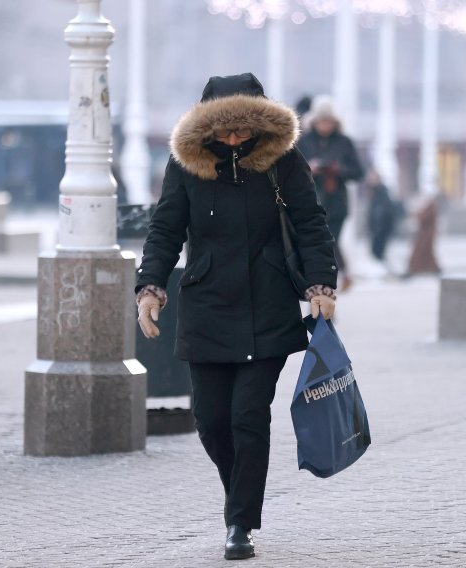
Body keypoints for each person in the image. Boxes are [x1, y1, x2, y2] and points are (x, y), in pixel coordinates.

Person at [134, 73, 338, 560]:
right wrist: (150, 287)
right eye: (224, 132)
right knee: (210, 422)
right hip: (206, 306)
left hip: (267, 304)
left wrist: (321, 286)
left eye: (242, 132)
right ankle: (238, 498)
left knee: (248, 416)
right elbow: (165, 229)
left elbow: (311, 223)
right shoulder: (185, 165)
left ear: (260, 127)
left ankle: (239, 523)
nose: (233, 140)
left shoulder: (282, 162)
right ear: (205, 129)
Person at [297, 95, 364, 291]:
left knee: (328, 244)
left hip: (336, 205)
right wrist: (310, 168)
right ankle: (328, 285)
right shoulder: (303, 141)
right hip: (310, 203)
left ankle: (325, 291)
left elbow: (358, 172)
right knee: (319, 247)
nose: (324, 126)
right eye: (321, 121)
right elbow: (293, 171)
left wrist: (338, 170)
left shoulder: (344, 142)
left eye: (328, 121)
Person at [364, 168, 399, 263]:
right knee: (375, 252)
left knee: (378, 252)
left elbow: (385, 210)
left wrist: (380, 226)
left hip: (381, 226)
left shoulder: (382, 191)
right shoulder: (373, 191)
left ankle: (380, 270)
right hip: (376, 226)